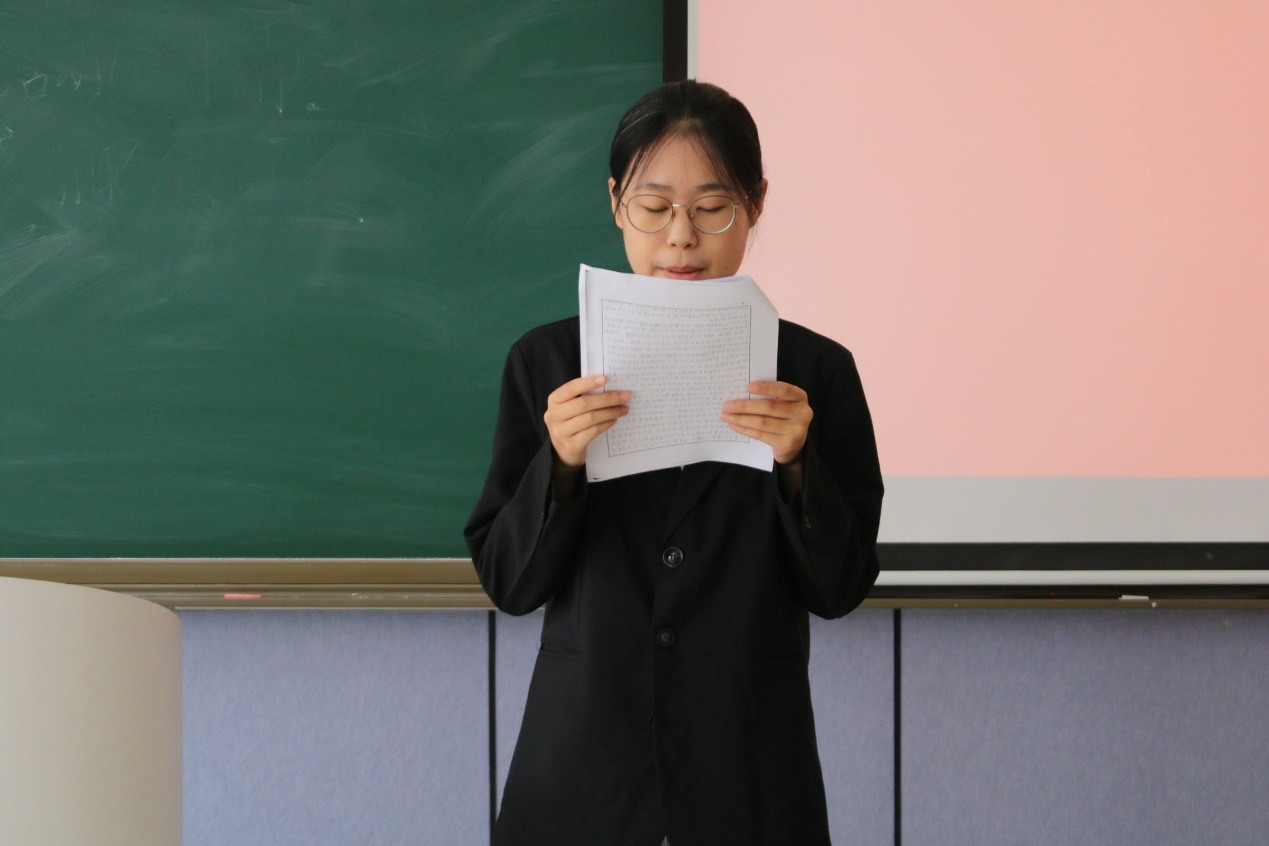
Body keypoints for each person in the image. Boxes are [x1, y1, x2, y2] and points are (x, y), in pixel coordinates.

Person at [465, 79, 883, 846]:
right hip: (582, 776)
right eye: (653, 207)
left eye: (710, 207)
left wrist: (797, 464)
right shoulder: (548, 363)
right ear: (615, 202)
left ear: (755, 203)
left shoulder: (814, 375)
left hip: (750, 777)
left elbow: (839, 588)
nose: (681, 238)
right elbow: (509, 583)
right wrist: (560, 464)